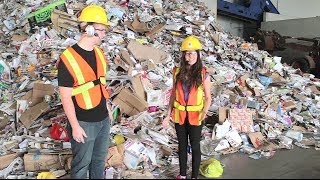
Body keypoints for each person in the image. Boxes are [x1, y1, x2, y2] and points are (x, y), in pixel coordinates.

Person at [57, 5, 111, 179]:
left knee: (99, 162)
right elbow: (65, 98)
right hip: (84, 123)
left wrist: (108, 109)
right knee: (81, 166)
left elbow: (100, 84)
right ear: (88, 29)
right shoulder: (68, 58)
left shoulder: (99, 54)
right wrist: (75, 127)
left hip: (103, 120)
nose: (104, 34)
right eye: (101, 30)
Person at [162, 36, 212, 179]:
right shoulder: (176, 72)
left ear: (198, 55)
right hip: (180, 116)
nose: (189, 56)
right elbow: (173, 95)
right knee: (182, 146)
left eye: (192, 53)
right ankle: (182, 174)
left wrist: (204, 112)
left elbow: (208, 98)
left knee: (195, 147)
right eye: (187, 53)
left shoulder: (203, 74)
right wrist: (167, 115)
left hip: (196, 116)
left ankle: (194, 176)